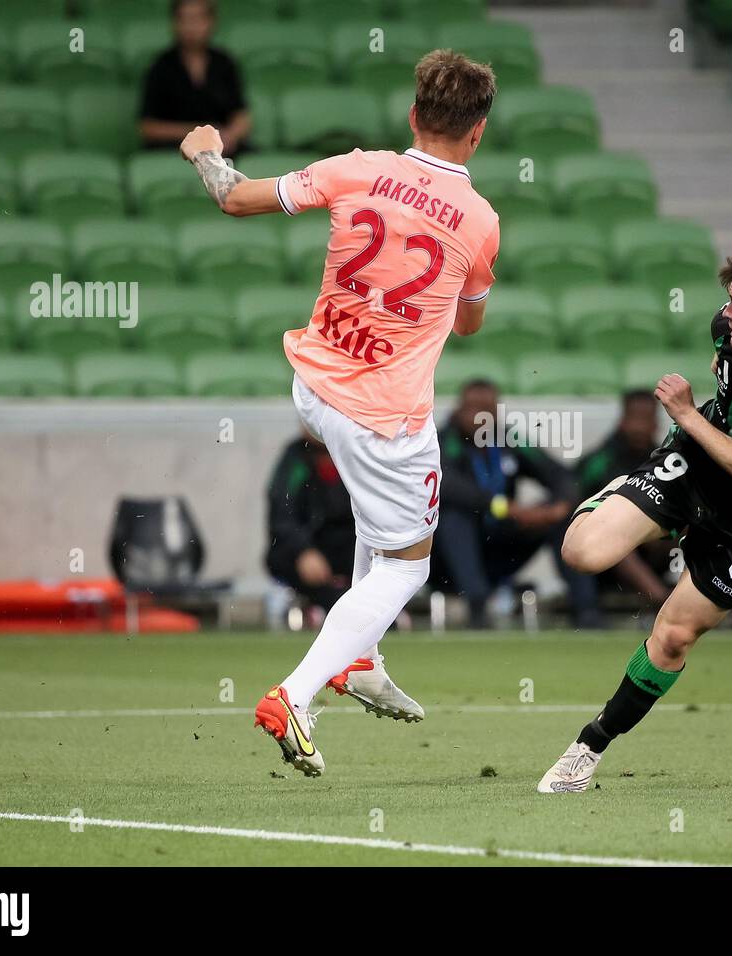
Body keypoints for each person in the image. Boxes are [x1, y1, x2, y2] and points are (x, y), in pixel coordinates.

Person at [179, 49, 500, 777]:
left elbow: (233, 197)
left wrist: (206, 151)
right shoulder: (480, 222)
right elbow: (470, 325)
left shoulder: (355, 168)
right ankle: (293, 694)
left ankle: (359, 660)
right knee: (407, 567)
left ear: (414, 116)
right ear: (477, 132)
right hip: (386, 417)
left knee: (372, 521)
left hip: (314, 385)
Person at [535, 249, 732, 793]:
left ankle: (587, 749)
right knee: (583, 554)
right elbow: (724, 370)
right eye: (728, 302)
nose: (726, 315)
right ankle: (623, 490)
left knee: (675, 637)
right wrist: (700, 417)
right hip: (693, 470)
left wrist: (685, 413)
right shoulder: (729, 332)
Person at [432, 379, 602, 629]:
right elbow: (449, 487)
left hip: (501, 544)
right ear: (458, 409)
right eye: (471, 409)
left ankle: (586, 609)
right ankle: (477, 610)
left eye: (486, 410)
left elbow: (559, 474)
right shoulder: (441, 441)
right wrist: (509, 509)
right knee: (455, 516)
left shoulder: (507, 439)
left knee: (562, 518)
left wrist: (559, 506)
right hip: (447, 559)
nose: (478, 417)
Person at [574, 390, 674, 608]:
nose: (639, 427)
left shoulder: (664, 459)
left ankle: (704, 593)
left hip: (653, 547)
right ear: (622, 421)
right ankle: (660, 599)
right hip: (604, 560)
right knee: (617, 536)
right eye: (634, 418)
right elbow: (575, 503)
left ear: (655, 424)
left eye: (645, 419)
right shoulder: (599, 462)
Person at [140, 0, 251, 157]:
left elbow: (241, 115)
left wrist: (230, 136)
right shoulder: (160, 67)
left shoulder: (224, 63)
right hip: (174, 150)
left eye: (198, 19)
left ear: (211, 22)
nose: (191, 26)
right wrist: (198, 134)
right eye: (185, 19)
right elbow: (148, 127)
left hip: (222, 150)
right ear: (174, 23)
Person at [265, 431, 355, 617]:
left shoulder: (356, 452)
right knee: (281, 556)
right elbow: (281, 513)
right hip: (312, 548)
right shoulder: (296, 458)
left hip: (353, 546)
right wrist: (303, 550)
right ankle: (328, 607)